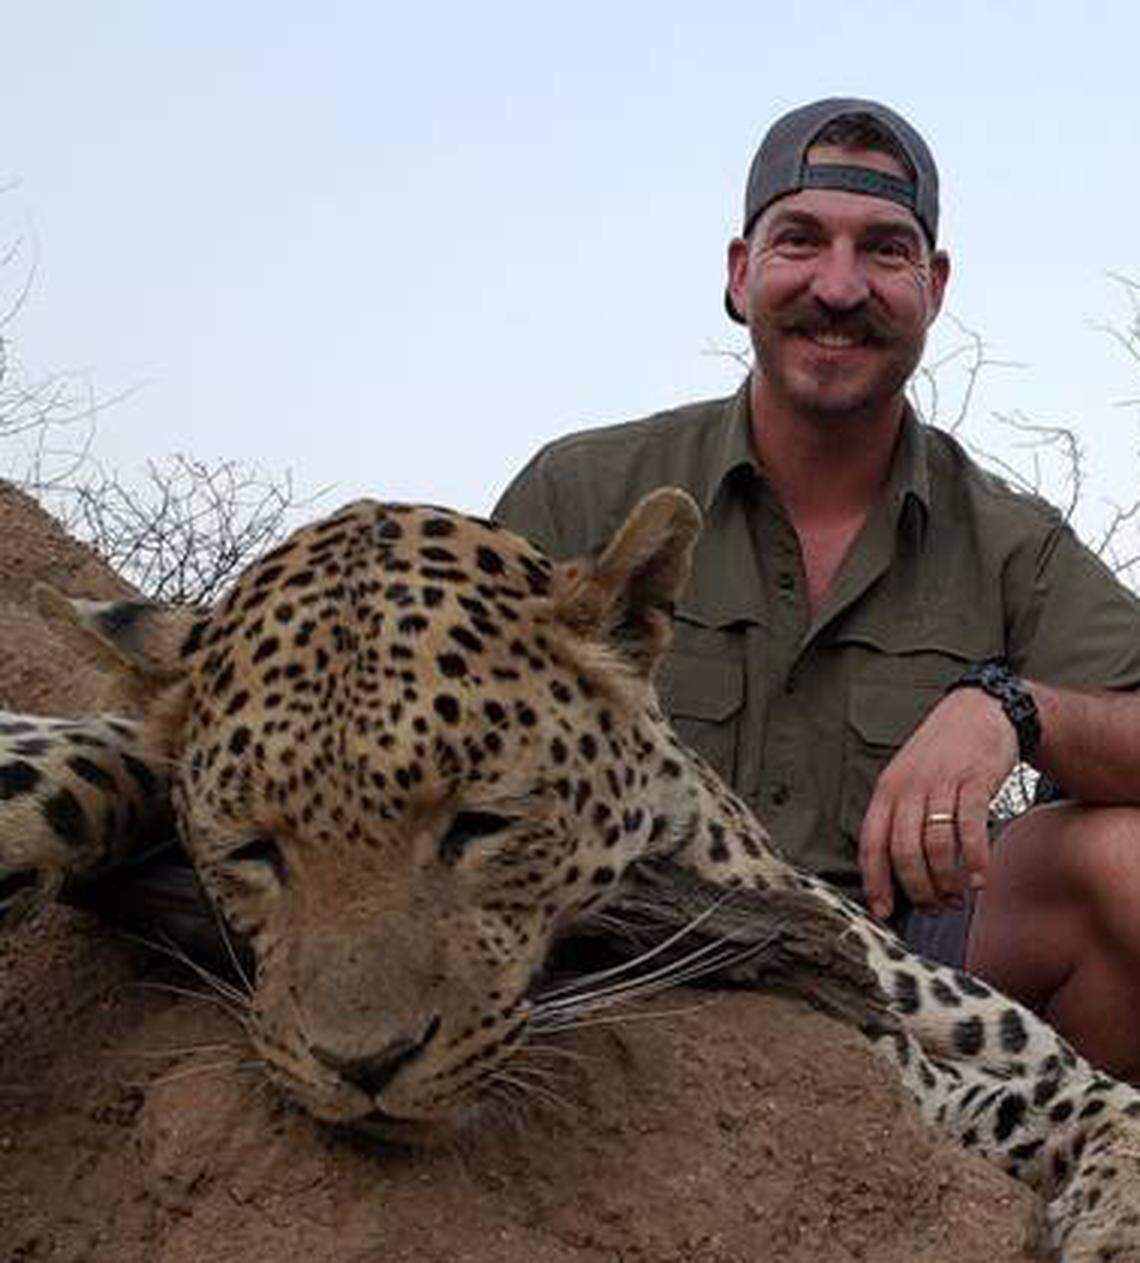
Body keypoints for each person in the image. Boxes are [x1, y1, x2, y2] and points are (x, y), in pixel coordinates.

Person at [493, 98, 1140, 1081]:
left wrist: (1011, 708)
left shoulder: (1013, 541)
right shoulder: (579, 491)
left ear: (934, 286)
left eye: (885, 250)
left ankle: (1050, 1167)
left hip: (900, 978)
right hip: (626, 957)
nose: (839, 288)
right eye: (800, 240)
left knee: (1122, 855)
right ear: (740, 271)